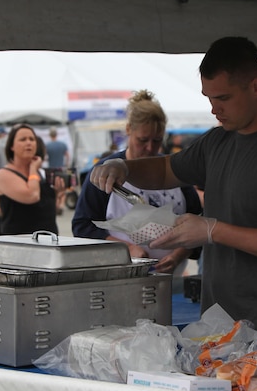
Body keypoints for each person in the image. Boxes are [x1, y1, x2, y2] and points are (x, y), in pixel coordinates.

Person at [90, 37, 257, 330]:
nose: (215, 109)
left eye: (223, 98)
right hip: (218, 325)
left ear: (256, 86)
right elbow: (166, 169)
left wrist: (213, 230)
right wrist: (124, 167)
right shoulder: (217, 141)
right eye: (209, 98)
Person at [72, 89, 203, 275]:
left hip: (170, 279)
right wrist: (127, 248)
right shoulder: (107, 172)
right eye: (143, 140)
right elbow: (82, 226)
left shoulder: (175, 171)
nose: (150, 148)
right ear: (128, 130)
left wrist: (177, 256)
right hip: (119, 277)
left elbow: (198, 224)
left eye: (157, 140)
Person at [0, 123, 66, 234]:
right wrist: (33, 168)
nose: (28, 143)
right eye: (23, 139)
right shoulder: (4, 174)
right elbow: (32, 196)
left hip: (48, 242)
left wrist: (57, 193)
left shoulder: (41, 173)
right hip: (20, 244)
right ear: (11, 146)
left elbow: (47, 210)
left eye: (32, 139)